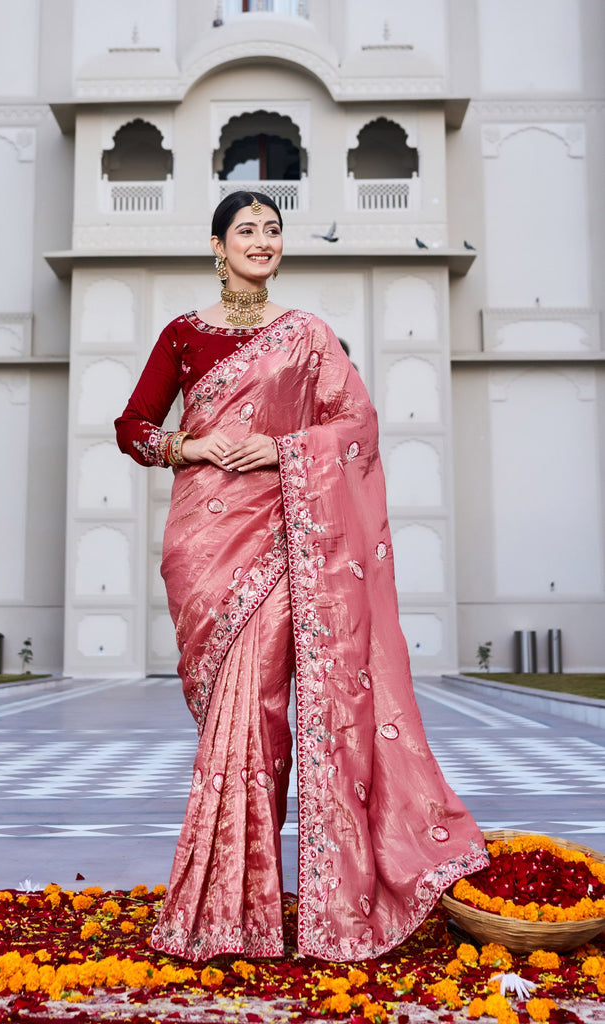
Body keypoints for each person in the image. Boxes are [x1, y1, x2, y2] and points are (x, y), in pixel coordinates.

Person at [115, 191, 488, 962]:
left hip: (287, 539)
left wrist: (282, 451)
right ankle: (224, 909)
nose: (261, 239)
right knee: (234, 711)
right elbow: (134, 428)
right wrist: (196, 447)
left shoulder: (307, 336)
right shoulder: (183, 335)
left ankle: (256, 904)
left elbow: (355, 426)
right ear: (216, 245)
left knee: (273, 714)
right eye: (245, 230)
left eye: (272, 229)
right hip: (204, 543)